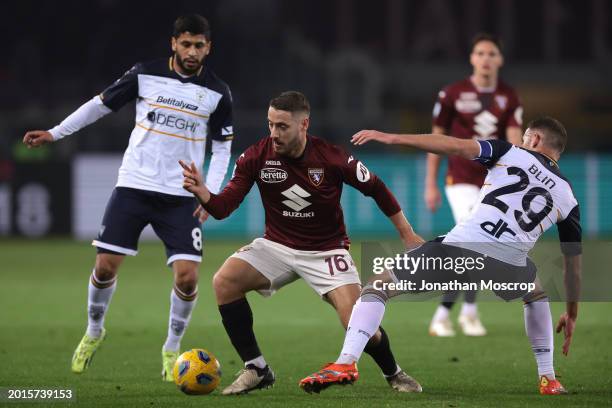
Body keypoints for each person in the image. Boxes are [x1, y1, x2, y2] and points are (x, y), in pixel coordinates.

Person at [301, 117, 581, 395]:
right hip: (508, 264)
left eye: (525, 138)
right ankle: (548, 378)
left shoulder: (510, 152)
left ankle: (346, 362)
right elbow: (572, 266)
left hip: (460, 250)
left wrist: (394, 137)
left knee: (377, 287)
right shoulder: (568, 197)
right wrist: (570, 313)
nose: (521, 141)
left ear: (534, 140)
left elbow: (454, 146)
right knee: (535, 294)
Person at [22, 14, 234, 381]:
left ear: (208, 47)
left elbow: (222, 147)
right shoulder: (144, 74)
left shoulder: (217, 92)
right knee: (104, 267)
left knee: (187, 278)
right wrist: (56, 133)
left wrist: (209, 193)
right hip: (134, 185)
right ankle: (93, 331)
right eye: (186, 44)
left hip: (180, 196)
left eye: (199, 45)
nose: (192, 51)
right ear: (174, 43)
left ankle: (171, 349)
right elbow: (99, 105)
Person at [180, 91, 424, 395]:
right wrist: (204, 193)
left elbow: (376, 187)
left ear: (304, 124)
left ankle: (394, 373)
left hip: (326, 250)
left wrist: (406, 233)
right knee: (224, 281)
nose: (274, 133)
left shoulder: (331, 157)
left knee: (360, 323)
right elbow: (223, 208)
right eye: (270, 124)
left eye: (282, 126)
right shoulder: (256, 156)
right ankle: (257, 368)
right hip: (277, 246)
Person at [425, 33, 524, 337]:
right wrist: (430, 183)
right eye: (480, 52)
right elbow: (436, 140)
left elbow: (516, 143)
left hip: (494, 184)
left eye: (492, 53)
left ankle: (451, 315)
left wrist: (516, 182)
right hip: (461, 180)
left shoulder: (509, 96)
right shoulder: (452, 94)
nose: (486, 58)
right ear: (472, 58)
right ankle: (455, 315)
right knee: (476, 243)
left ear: (500, 60)